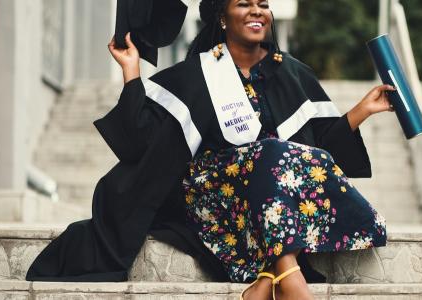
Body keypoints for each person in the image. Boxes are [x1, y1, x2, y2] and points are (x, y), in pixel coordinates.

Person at [27, 0, 393, 299]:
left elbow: (317, 152)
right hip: (214, 198)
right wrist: (131, 70)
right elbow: (141, 140)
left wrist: (362, 110)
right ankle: (289, 272)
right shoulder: (197, 74)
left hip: (268, 197)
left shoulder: (294, 74)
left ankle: (271, 277)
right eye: (244, 4)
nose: (257, 11)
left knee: (290, 158)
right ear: (221, 16)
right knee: (269, 153)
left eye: (263, 4)